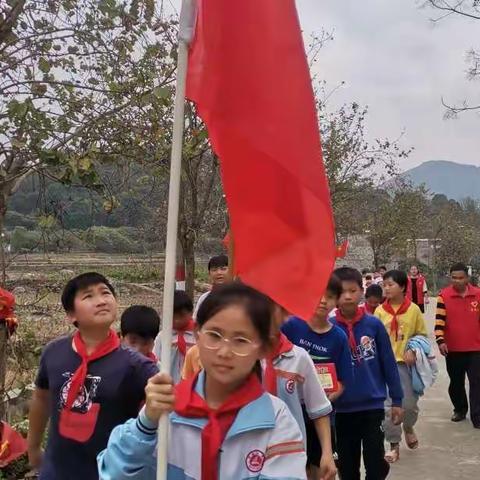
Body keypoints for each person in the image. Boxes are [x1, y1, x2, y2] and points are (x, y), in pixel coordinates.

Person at [98, 282, 308, 479]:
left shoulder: (277, 420)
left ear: (263, 348)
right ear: (197, 335)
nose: (225, 352)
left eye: (241, 340)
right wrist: (145, 425)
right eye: (214, 335)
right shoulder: (166, 408)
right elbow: (114, 472)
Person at [27, 272, 158, 480]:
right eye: (88, 296)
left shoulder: (138, 367)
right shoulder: (53, 352)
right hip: (56, 471)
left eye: (105, 293)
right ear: (72, 315)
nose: (101, 301)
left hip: (108, 474)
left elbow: (157, 419)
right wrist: (33, 447)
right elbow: (41, 399)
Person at [332, 267, 403, 480]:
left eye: (352, 290)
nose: (347, 296)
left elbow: (389, 363)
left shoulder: (373, 325)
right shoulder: (329, 327)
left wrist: (397, 400)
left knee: (375, 464)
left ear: (361, 291)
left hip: (371, 407)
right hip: (340, 410)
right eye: (342, 291)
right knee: (347, 467)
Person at [282, 275, 352, 479]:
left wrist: (327, 397)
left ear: (336, 301)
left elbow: (342, 381)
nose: (323, 300)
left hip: (322, 418)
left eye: (329, 297)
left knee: (320, 468)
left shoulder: (339, 337)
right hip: (291, 412)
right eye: (318, 295)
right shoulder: (291, 325)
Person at [267, 302, 337, 480]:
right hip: (249, 454)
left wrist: (327, 453)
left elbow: (319, 410)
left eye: (270, 309)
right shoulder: (242, 357)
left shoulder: (298, 358)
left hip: (291, 456)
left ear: (284, 314)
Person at [375, 269, 428, 462]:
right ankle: (394, 444)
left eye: (390, 285)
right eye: (385, 285)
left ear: (403, 287)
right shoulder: (379, 312)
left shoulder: (413, 309)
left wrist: (413, 349)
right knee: (389, 408)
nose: (386, 288)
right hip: (384, 366)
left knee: (409, 406)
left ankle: (408, 426)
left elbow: (422, 335)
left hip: (405, 366)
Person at [435, 263, 480, 428]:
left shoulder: (478, 295)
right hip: (453, 349)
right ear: (450, 278)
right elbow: (439, 322)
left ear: (467, 278)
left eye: (461, 278)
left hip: (476, 348)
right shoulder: (444, 296)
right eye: (454, 278)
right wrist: (440, 341)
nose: (458, 281)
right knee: (456, 383)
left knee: (477, 382)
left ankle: (477, 415)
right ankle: (460, 409)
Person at [154, 290, 195, 383]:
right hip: (169, 383)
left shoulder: (197, 336)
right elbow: (156, 359)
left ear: (191, 312)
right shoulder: (163, 336)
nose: (177, 320)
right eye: (172, 315)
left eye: (181, 315)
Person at [193, 254, 230, 320]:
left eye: (223, 269)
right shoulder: (204, 298)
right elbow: (196, 321)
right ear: (209, 274)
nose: (219, 272)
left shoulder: (239, 297)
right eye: (214, 270)